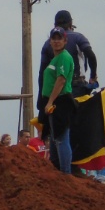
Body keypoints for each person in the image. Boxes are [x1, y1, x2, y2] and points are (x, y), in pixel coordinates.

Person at [37, 10, 98, 101]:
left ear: (55, 25)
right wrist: (93, 77)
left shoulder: (48, 43)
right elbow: (91, 55)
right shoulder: (78, 37)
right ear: (71, 23)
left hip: (56, 91)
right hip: (77, 86)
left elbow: (43, 72)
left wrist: (41, 98)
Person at [39, 26, 75, 174]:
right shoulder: (55, 58)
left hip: (60, 101)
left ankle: (65, 172)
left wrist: (50, 102)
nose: (56, 41)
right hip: (54, 101)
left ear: (65, 40)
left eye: (59, 38)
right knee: (55, 137)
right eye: (53, 38)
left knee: (61, 138)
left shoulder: (64, 57)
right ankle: (57, 170)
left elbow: (61, 80)